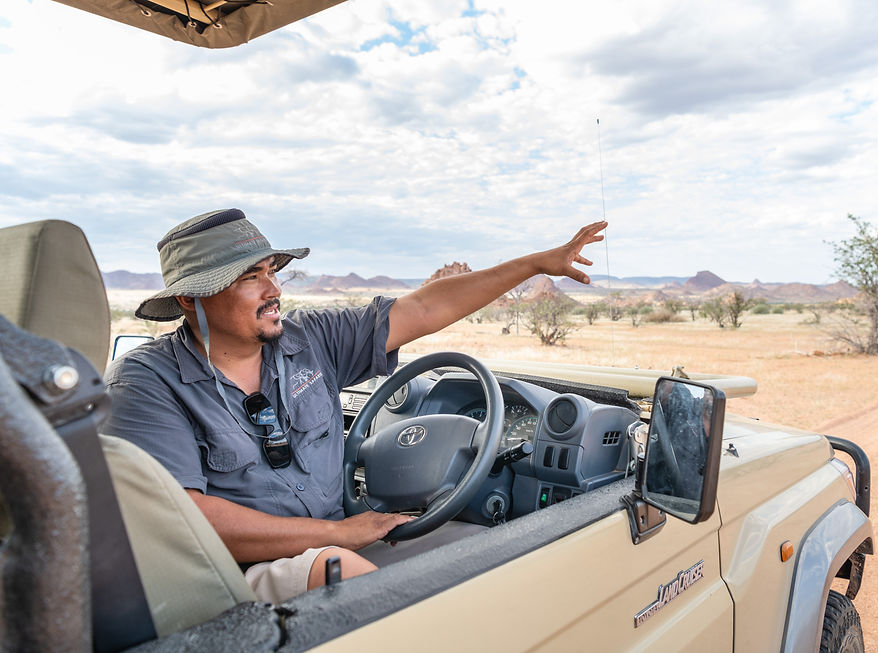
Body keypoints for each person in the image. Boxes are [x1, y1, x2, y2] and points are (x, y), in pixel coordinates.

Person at [102, 208, 605, 603]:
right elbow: (186, 518)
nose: (275, 289)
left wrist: (536, 264)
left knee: (487, 559)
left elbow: (423, 308)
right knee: (350, 582)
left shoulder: (309, 340)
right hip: (235, 577)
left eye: (271, 271)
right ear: (192, 300)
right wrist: (336, 533)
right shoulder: (147, 381)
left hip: (342, 540)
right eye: (250, 278)